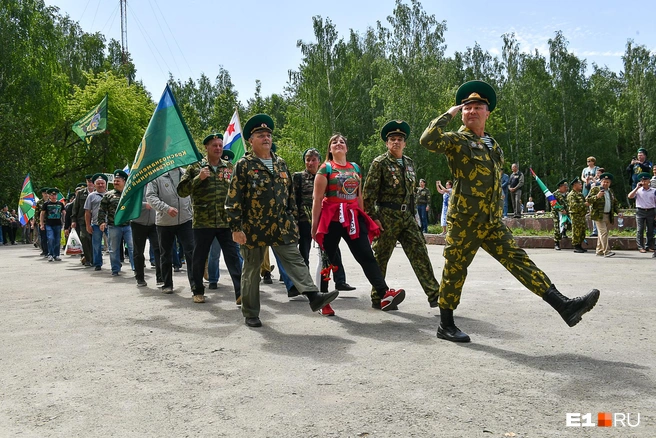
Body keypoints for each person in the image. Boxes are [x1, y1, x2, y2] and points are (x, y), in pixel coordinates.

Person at [419, 79, 600, 342]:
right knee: (455, 270)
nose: (471, 111)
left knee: (518, 260)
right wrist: (449, 113)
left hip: (491, 221)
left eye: (477, 107)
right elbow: (427, 139)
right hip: (465, 221)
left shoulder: (494, 146)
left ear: (487, 112)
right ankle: (446, 325)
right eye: (467, 107)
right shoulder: (456, 140)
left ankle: (564, 305)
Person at [226, 114, 338, 327]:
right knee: (251, 269)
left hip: (281, 225)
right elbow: (233, 199)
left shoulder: (280, 163)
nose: (266, 138)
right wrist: (236, 227)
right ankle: (251, 313)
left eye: (268, 134)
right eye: (260, 135)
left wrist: (293, 221)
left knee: (295, 259)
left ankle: (314, 297)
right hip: (253, 227)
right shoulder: (244, 165)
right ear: (251, 140)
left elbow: (290, 196)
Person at [312, 132, 404, 312]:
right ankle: (323, 300)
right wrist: (314, 227)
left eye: (342, 141)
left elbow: (359, 196)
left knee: (366, 254)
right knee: (329, 259)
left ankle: (384, 294)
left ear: (346, 148)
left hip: (353, 217)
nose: (338, 143)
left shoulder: (355, 167)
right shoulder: (325, 168)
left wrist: (363, 216)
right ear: (330, 149)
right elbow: (317, 199)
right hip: (331, 218)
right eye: (334, 142)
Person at [363, 120, 440, 309]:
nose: (396, 142)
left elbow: (410, 192)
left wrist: (413, 214)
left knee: (419, 252)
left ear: (405, 143)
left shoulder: (410, 164)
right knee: (381, 256)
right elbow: (368, 195)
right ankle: (378, 297)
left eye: (399, 139)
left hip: (406, 217)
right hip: (386, 216)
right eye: (392, 139)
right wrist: (374, 218)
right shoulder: (379, 163)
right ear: (387, 143)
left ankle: (435, 294)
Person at [177, 133, 243, 305]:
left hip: (224, 220)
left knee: (233, 257)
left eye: (220, 145)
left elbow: (237, 191)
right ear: (206, 147)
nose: (218, 148)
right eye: (214, 145)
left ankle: (241, 292)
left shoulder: (229, 167)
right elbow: (182, 191)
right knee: (199, 257)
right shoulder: (195, 167)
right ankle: (197, 290)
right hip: (203, 221)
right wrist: (200, 178)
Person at [292, 147, 353, 293]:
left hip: (325, 220)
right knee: (303, 252)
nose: (310, 163)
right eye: (308, 160)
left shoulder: (326, 175)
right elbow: (293, 200)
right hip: (305, 220)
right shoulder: (298, 177)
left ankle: (340, 281)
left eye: (314, 160)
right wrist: (294, 221)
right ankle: (303, 284)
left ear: (319, 161)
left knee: (332, 251)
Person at [146, 168, 195, 294]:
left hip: (186, 220)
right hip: (165, 222)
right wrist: (166, 208)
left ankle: (195, 285)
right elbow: (150, 197)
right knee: (166, 254)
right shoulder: (157, 174)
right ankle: (167, 284)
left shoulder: (187, 173)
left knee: (191, 252)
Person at [97, 170, 134, 276]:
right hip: (113, 226)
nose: (115, 183)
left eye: (118, 181)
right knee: (113, 249)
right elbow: (102, 210)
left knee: (132, 248)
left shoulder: (129, 194)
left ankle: (136, 268)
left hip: (128, 226)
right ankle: (115, 269)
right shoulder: (108, 195)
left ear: (124, 181)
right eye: (115, 181)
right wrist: (101, 222)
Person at [131, 187, 162, 287]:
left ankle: (160, 277)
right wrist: (145, 205)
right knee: (138, 251)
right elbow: (130, 202)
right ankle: (140, 277)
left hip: (155, 223)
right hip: (138, 223)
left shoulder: (156, 183)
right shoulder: (136, 185)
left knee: (158, 249)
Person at [586, 173, 620, 257]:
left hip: (608, 215)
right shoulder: (595, 189)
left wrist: (618, 212)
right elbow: (588, 200)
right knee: (603, 233)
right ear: (600, 182)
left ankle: (599, 250)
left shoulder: (610, 191)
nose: (605, 184)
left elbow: (614, 203)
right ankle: (607, 251)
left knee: (602, 234)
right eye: (604, 182)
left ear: (610, 183)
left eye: (607, 182)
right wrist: (597, 196)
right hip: (598, 215)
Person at [84, 174, 108, 270]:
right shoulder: (91, 196)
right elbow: (87, 212)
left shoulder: (110, 195)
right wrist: (88, 225)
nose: (101, 185)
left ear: (105, 185)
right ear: (95, 185)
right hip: (96, 224)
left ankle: (116, 264)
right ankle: (97, 263)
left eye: (102, 183)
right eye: (98, 184)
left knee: (112, 245)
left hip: (109, 224)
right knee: (96, 245)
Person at [627, 172, 656, 253]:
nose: (644, 182)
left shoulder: (654, 190)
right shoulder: (638, 190)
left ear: (649, 181)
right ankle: (640, 247)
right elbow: (630, 196)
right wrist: (636, 188)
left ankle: (649, 246)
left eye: (645, 181)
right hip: (640, 211)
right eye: (642, 181)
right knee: (640, 230)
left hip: (651, 211)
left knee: (650, 229)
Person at [71, 175, 95, 266]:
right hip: (82, 220)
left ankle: (93, 259)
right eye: (89, 181)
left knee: (93, 240)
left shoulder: (98, 192)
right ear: (86, 182)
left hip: (95, 220)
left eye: (92, 182)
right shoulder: (81, 193)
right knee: (84, 238)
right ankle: (88, 259)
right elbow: (75, 207)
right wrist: (73, 220)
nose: (90, 183)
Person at [39, 188, 65, 261]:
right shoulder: (46, 204)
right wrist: (41, 224)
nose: (54, 196)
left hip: (58, 224)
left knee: (57, 240)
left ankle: (56, 255)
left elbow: (64, 213)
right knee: (50, 238)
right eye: (52, 195)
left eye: (55, 195)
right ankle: (50, 254)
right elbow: (42, 214)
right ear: (49, 196)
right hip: (49, 224)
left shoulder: (60, 204)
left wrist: (65, 223)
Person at [566, 177, 589, 253]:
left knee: (582, 231)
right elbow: (574, 206)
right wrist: (584, 204)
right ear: (574, 185)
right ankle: (576, 246)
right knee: (576, 231)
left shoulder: (580, 194)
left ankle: (580, 245)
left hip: (582, 215)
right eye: (579, 184)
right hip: (575, 215)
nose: (581, 185)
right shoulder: (571, 195)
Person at [552, 179, 570, 251]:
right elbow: (553, 204)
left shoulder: (567, 194)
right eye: (564, 186)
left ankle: (564, 232)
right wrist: (561, 210)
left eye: (566, 186)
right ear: (560, 187)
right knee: (557, 227)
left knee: (566, 224)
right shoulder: (555, 194)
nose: (566, 188)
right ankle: (556, 243)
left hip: (566, 212)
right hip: (557, 213)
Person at [34, 187, 49, 255]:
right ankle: (45, 251)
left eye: (47, 193)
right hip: (43, 222)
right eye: (45, 193)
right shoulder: (39, 202)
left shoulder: (52, 201)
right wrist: (39, 222)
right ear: (42, 194)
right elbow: (36, 213)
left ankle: (51, 250)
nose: (46, 195)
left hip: (50, 222)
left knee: (51, 237)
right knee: (43, 237)